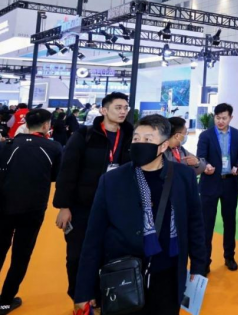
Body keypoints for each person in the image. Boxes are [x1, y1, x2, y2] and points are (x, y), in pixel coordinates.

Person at [72, 115, 207, 315]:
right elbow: (93, 237)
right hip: (123, 275)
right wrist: (84, 289)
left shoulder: (183, 176)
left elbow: (195, 224)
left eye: (147, 139)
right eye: (136, 138)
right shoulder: (112, 180)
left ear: (163, 146)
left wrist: (197, 267)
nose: (139, 143)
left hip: (168, 275)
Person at [53, 91, 133, 301]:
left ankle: (104, 295)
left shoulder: (131, 136)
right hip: (83, 205)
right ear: (104, 110)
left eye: (125, 108)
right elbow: (67, 171)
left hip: (117, 207)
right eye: (118, 107)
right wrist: (64, 206)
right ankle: (80, 296)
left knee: (111, 252)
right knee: (77, 254)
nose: (123, 111)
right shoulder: (84, 135)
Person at [0, 109, 62, 314]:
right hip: (33, 208)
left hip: (4, 205)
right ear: (46, 125)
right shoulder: (53, 147)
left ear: (25, 124)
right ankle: (5, 301)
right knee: (21, 255)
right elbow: (56, 175)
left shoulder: (7, 145)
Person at [196, 103, 238, 273]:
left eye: (224, 118)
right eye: (218, 118)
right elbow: (201, 157)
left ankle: (229, 256)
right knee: (206, 223)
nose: (220, 121)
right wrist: (206, 166)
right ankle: (205, 261)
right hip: (210, 182)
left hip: (230, 182)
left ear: (231, 118)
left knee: (230, 221)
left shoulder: (237, 135)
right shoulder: (206, 135)